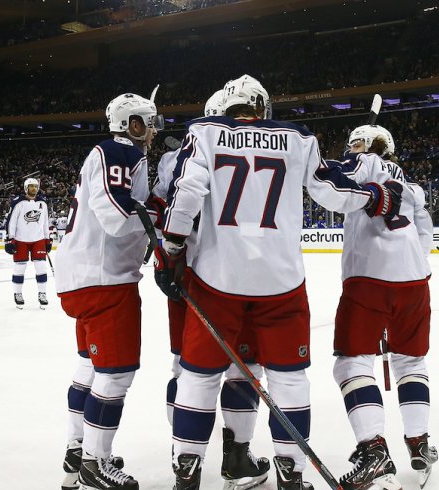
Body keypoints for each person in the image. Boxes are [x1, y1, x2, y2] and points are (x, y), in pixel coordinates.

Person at [155, 74, 401, 490]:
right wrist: (376, 196)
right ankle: (291, 470)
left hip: (218, 277)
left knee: (198, 375)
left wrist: (173, 247)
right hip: (281, 282)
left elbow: (186, 192)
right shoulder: (296, 137)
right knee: (288, 379)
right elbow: (331, 190)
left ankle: (187, 469)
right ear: (262, 108)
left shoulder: (204, 132)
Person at [152, 88, 272, 490]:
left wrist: (166, 257)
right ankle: (236, 457)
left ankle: (183, 456)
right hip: (243, 274)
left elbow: (161, 212)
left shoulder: (178, 154)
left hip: (185, 271)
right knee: (244, 367)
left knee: (185, 367)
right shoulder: (266, 147)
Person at [55, 91, 163, 490]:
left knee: (89, 367)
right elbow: (119, 217)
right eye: (147, 122)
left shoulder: (115, 154)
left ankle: (77, 445)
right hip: (105, 280)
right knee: (116, 374)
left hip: (84, 278)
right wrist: (164, 213)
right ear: (132, 124)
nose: (152, 130)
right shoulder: (119, 151)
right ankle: (94, 462)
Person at [329, 124, 437, 490]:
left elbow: (338, 183)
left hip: (370, 278)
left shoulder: (363, 163)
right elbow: (425, 232)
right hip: (415, 280)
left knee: (352, 362)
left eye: (356, 143)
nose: (351, 148)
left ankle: (374, 451)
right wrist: (412, 268)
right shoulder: (410, 184)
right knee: (411, 361)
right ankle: (419, 440)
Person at [3, 178, 52, 309]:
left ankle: (42, 293)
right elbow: (11, 222)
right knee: (20, 268)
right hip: (20, 240)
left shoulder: (43, 202)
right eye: (31, 186)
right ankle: (18, 294)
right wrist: (9, 239)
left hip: (39, 240)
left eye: (36, 186)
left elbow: (46, 222)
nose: (34, 189)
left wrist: (47, 239)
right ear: (26, 188)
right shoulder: (18, 202)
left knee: (41, 267)